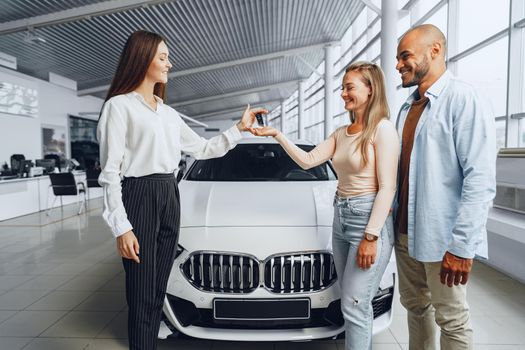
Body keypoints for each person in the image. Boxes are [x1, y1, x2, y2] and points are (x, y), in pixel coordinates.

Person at [97, 30, 266, 350]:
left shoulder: (168, 114)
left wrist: (239, 129)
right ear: (141, 58)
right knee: (141, 291)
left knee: (157, 289)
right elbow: (110, 173)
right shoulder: (119, 108)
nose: (169, 64)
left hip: (168, 193)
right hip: (139, 194)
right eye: (162, 57)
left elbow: (204, 148)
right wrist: (121, 227)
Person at [251, 61, 399, 350]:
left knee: (355, 304)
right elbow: (307, 161)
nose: (343, 93)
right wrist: (277, 135)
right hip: (341, 218)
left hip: (367, 221)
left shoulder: (383, 130)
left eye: (350, 87)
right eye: (342, 87)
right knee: (354, 301)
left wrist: (371, 236)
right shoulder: (342, 132)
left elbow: (388, 188)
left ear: (370, 90)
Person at [394, 24, 496, 350]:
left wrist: (462, 246)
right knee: (416, 308)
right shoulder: (406, 108)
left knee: (451, 319)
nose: (398, 65)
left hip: (443, 237)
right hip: (405, 234)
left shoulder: (463, 99)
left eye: (404, 56)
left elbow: (480, 179)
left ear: (435, 50)